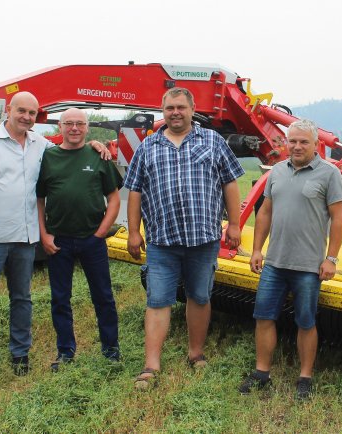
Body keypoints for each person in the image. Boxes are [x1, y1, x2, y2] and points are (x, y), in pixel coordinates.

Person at [0, 93, 108, 384]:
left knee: (22, 298)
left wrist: (92, 144)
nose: (26, 117)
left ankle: (20, 354)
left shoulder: (40, 144)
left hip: (25, 237)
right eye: (21, 111)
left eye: (32, 113)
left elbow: (69, 146)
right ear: (8, 110)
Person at [124, 87, 244, 389]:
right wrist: (135, 232)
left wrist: (234, 225)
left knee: (200, 297)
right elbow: (135, 192)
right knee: (157, 300)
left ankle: (196, 353)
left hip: (203, 239)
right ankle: (151, 365)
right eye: (169, 108)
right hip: (162, 240)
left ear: (192, 110)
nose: (175, 113)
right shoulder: (148, 146)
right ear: (162, 112)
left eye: (180, 107)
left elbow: (230, 184)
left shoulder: (213, 142)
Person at [238, 119, 342, 400]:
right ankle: (262, 374)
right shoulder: (276, 172)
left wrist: (331, 258)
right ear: (286, 143)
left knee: (306, 322)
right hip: (274, 263)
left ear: (316, 144)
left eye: (303, 142)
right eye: (292, 141)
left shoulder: (329, 174)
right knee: (263, 317)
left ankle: (305, 378)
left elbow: (338, 218)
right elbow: (265, 212)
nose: (297, 146)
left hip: (308, 266)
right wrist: (258, 249)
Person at [37, 108, 122, 371]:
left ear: (87, 128)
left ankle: (110, 351)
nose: (74, 128)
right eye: (69, 123)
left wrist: (99, 234)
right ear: (59, 127)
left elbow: (115, 198)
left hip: (91, 240)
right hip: (58, 240)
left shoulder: (99, 156)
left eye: (80, 124)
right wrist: (44, 234)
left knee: (104, 297)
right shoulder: (48, 157)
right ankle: (65, 352)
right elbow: (39, 199)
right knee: (60, 298)